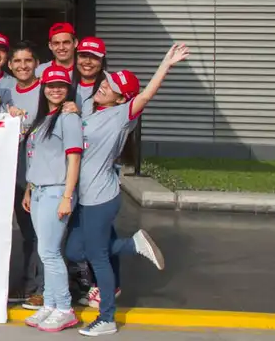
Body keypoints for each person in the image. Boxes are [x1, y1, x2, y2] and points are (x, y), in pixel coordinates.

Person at [64, 44, 188, 337]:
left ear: (122, 98)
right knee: (73, 250)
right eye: (105, 82)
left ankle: (107, 317)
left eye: (111, 87)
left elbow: (146, 95)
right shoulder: (94, 112)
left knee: (98, 257)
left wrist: (166, 65)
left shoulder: (122, 116)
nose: (104, 86)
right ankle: (132, 245)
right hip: (84, 198)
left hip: (100, 198)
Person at [21, 66, 83, 332]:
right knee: (46, 252)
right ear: (42, 88)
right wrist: (28, 188)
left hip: (57, 191)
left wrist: (67, 196)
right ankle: (50, 303)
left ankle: (65, 309)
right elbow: (36, 156)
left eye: (61, 85)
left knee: (50, 252)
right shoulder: (42, 119)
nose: (55, 90)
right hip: (38, 191)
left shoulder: (68, 119)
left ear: (68, 89)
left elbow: (74, 158)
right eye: (50, 85)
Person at [5, 41, 45, 310]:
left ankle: (38, 289)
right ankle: (22, 283)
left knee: (37, 234)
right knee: (12, 234)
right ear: (9, 65)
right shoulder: (3, 92)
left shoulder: (46, 90)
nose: (22, 66)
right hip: (9, 176)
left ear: (36, 63)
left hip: (37, 177)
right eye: (17, 61)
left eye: (27, 60)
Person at [74, 37, 108, 116]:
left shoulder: (110, 87)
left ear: (102, 60)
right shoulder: (65, 82)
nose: (88, 61)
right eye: (83, 56)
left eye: (94, 57)